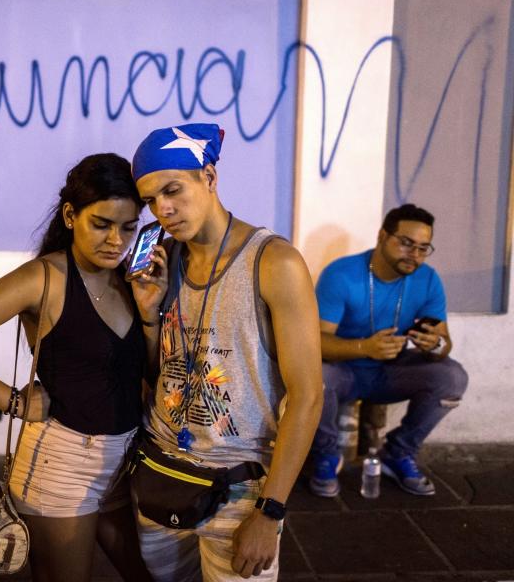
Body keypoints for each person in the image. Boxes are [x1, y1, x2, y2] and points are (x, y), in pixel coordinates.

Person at [0, 154, 154, 582]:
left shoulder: (130, 278)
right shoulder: (43, 278)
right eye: (101, 224)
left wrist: (152, 312)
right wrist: (14, 401)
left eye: (129, 227)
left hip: (122, 459)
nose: (116, 240)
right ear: (70, 215)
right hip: (60, 464)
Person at [129, 123, 323, 581]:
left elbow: (308, 395)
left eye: (172, 189)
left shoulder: (275, 262)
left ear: (209, 178)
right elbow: (163, 372)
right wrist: (149, 315)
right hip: (162, 468)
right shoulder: (164, 258)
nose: (164, 209)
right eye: (151, 201)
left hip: (238, 485)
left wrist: (271, 512)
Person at [307, 204, 467, 497]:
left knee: (452, 377)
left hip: (392, 370)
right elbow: (314, 343)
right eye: (406, 243)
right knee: (314, 375)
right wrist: (364, 347)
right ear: (383, 236)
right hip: (344, 370)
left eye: (423, 248)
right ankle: (326, 455)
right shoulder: (342, 274)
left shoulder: (427, 279)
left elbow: (445, 343)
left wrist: (435, 345)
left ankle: (398, 453)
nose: (414, 255)